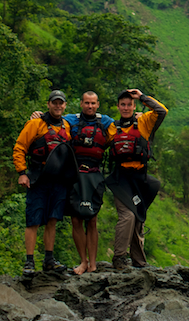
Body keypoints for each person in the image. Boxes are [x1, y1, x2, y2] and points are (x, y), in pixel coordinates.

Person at [13, 90, 73, 275]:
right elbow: (20, 147)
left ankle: (49, 260)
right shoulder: (35, 124)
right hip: (38, 177)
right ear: (48, 104)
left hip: (58, 179)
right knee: (34, 220)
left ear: (64, 106)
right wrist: (22, 173)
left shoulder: (67, 126)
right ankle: (29, 262)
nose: (57, 106)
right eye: (54, 103)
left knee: (52, 219)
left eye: (60, 103)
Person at [107, 88, 167, 270]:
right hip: (120, 178)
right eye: (122, 105)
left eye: (129, 105)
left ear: (134, 106)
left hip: (139, 179)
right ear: (118, 107)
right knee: (128, 215)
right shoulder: (111, 127)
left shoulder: (144, 121)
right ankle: (119, 258)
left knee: (139, 218)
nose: (126, 108)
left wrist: (141, 97)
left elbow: (161, 111)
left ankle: (139, 261)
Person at [64, 92, 116, 275]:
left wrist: (138, 118)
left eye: (93, 103)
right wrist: (38, 114)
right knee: (76, 218)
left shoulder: (106, 123)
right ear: (81, 103)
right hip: (75, 174)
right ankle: (83, 262)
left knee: (92, 218)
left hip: (95, 174)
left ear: (98, 104)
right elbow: (52, 121)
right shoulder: (71, 120)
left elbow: (123, 129)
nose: (90, 106)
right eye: (86, 103)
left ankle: (93, 264)